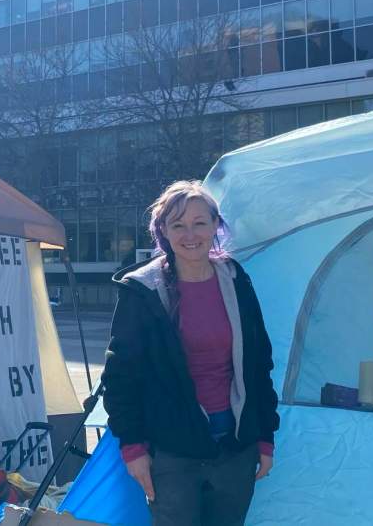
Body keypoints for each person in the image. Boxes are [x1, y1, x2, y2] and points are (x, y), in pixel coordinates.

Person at [101, 180, 279, 526]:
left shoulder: (235, 279)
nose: (190, 234)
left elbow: (259, 364)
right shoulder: (142, 291)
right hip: (171, 452)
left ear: (216, 225)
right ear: (163, 232)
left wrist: (265, 437)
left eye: (200, 222)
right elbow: (120, 378)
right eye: (177, 225)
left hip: (235, 447)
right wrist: (133, 448)